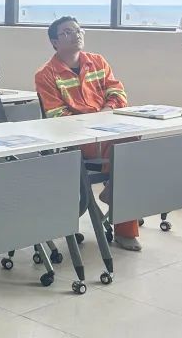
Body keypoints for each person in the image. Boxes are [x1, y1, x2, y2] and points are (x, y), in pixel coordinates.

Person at [34, 16, 140, 251]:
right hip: (77, 139)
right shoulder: (46, 74)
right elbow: (56, 115)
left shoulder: (97, 61)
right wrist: (91, 125)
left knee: (134, 145)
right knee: (126, 153)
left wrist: (106, 112)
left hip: (108, 129)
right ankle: (121, 212)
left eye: (78, 30)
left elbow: (118, 93)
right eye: (67, 32)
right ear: (54, 42)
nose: (76, 35)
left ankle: (115, 196)